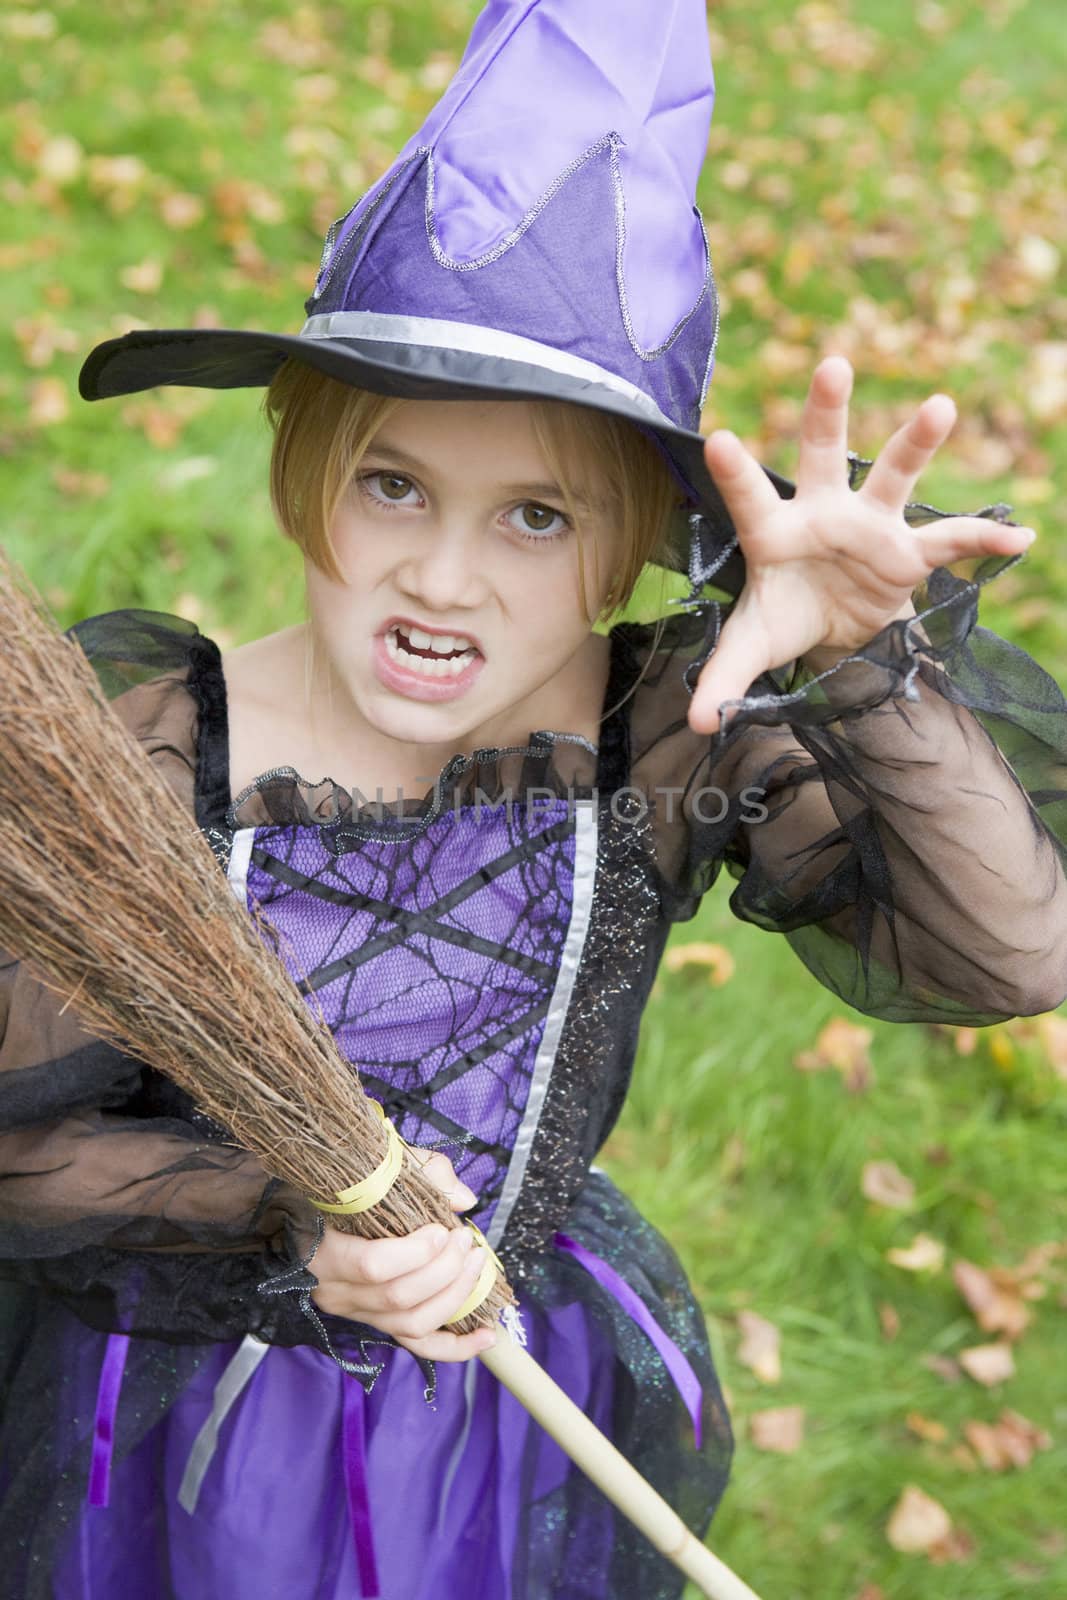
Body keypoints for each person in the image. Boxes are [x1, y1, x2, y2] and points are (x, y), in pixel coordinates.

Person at [2, 1, 1067, 1596]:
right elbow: (22, 1151)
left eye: (535, 516)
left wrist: (863, 669)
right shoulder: (158, 756)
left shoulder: (668, 732)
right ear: (301, 457)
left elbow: (1008, 955)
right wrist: (285, 1218)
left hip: (510, 1412)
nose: (439, 577)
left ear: (640, 528)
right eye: (392, 485)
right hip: (185, 1426)